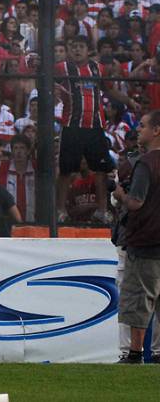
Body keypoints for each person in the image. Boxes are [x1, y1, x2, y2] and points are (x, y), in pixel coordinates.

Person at [55, 36, 138, 224]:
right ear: (69, 49)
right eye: (74, 46)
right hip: (72, 125)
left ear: (88, 50)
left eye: (81, 46)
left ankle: (101, 210)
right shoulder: (63, 68)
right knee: (66, 170)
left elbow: (111, 90)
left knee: (100, 169)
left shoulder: (98, 69)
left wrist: (129, 101)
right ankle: (60, 210)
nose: (77, 50)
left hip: (95, 126)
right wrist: (55, 88)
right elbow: (45, 83)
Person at [114, 110, 160, 364]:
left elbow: (136, 203)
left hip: (145, 242)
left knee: (139, 301)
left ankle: (134, 354)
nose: (138, 130)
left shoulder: (146, 162)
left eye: (143, 126)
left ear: (156, 130)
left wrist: (121, 195)